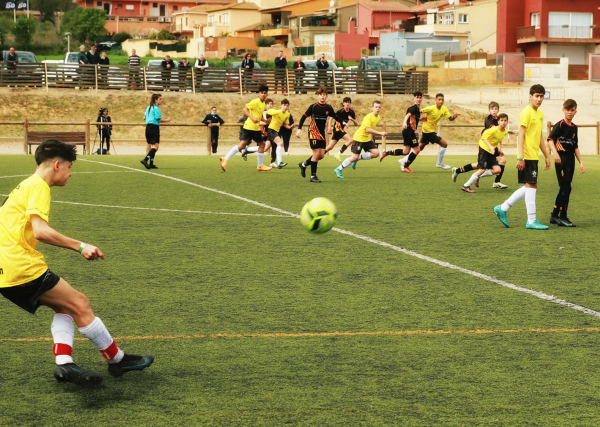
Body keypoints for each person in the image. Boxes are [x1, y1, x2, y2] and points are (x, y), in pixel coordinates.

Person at [0, 139, 154, 386]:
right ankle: (117, 361)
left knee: (65, 307)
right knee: (79, 303)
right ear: (58, 164)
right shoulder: (39, 186)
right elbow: (40, 231)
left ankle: (64, 364)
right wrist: (80, 246)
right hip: (21, 267)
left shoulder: (23, 185)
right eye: (70, 167)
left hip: (6, 270)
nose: (71, 174)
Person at [494, 84, 551, 230]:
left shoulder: (540, 114)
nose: (539, 99)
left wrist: (546, 155)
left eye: (541, 96)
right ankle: (531, 220)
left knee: (530, 186)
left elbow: (539, 138)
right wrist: (520, 157)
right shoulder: (526, 112)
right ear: (530, 96)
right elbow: (521, 135)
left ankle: (503, 208)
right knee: (531, 186)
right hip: (526, 155)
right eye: (536, 96)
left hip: (534, 155)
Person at [451, 101, 510, 189]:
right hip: (486, 146)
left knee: (484, 165)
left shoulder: (500, 120)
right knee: (484, 166)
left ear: (498, 110)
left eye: (496, 109)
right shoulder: (489, 120)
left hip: (492, 146)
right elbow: (488, 135)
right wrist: (491, 146)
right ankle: (472, 182)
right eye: (492, 109)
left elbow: (499, 136)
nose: (494, 111)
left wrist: (500, 148)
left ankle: (459, 170)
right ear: (489, 110)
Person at [547, 99, 585, 227]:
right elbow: (550, 140)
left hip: (571, 160)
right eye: (567, 109)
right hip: (561, 159)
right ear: (563, 110)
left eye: (572, 110)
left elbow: (575, 147)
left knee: (564, 188)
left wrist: (581, 162)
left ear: (575, 111)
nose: (569, 112)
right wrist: (555, 153)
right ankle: (563, 217)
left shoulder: (574, 128)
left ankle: (554, 215)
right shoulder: (560, 125)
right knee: (567, 187)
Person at [398, 93, 458, 172]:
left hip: (430, 131)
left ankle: (404, 160)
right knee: (444, 144)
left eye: (442, 100)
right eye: (439, 99)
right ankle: (439, 163)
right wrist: (416, 119)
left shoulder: (444, 109)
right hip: (428, 131)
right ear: (435, 100)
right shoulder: (430, 108)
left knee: (419, 148)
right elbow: (417, 112)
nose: (441, 101)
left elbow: (450, 118)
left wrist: (453, 117)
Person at [220, 85, 271, 172]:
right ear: (258, 94)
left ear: (267, 95)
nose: (263, 94)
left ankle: (225, 159)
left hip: (250, 127)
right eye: (261, 93)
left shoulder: (263, 104)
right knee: (262, 145)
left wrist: (265, 120)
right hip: (252, 127)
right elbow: (244, 110)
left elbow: (258, 116)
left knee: (242, 145)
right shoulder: (255, 102)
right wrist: (252, 118)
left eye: (265, 93)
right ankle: (260, 166)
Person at [296, 86, 339, 183]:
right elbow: (303, 117)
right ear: (317, 97)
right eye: (320, 95)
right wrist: (299, 129)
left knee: (321, 155)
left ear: (327, 97)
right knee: (316, 154)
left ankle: (303, 164)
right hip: (313, 132)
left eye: (324, 95)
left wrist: (343, 122)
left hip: (322, 134)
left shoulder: (329, 108)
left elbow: (336, 116)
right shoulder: (313, 107)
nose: (322, 97)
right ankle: (313, 176)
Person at [334, 100, 385, 179]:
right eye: (376, 107)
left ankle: (358, 159)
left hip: (366, 139)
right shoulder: (368, 117)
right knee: (354, 157)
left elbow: (370, 128)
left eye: (379, 107)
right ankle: (338, 169)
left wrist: (371, 137)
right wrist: (380, 133)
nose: (377, 109)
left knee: (376, 153)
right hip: (359, 138)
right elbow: (367, 129)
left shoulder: (378, 117)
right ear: (372, 108)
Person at [379, 91, 423, 173]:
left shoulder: (414, 108)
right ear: (414, 98)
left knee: (405, 151)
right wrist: (404, 122)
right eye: (417, 97)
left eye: (420, 97)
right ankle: (406, 166)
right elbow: (408, 115)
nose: (419, 99)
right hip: (409, 131)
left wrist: (420, 119)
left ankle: (386, 153)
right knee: (417, 149)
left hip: (406, 131)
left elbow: (413, 117)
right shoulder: (415, 107)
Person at [141, 94, 171, 170]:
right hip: (154, 128)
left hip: (148, 127)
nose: (162, 100)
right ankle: (145, 160)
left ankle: (151, 164)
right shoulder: (156, 108)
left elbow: (144, 117)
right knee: (155, 147)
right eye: (160, 99)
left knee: (152, 146)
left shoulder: (148, 107)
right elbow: (158, 119)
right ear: (156, 100)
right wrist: (167, 120)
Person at [326, 97, 357, 161]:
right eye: (346, 102)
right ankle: (338, 154)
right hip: (337, 129)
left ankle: (315, 158)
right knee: (350, 140)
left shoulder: (351, 112)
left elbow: (356, 124)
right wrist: (329, 128)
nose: (347, 103)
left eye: (348, 102)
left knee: (330, 147)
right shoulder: (340, 111)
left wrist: (352, 120)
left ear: (350, 103)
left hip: (340, 130)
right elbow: (331, 117)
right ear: (343, 103)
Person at [266, 99, 293, 168]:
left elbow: (285, 125)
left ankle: (247, 150)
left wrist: (290, 127)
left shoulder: (287, 114)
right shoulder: (276, 112)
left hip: (276, 131)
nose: (285, 107)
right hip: (271, 130)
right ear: (281, 105)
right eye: (284, 105)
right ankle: (279, 162)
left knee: (265, 148)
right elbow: (265, 112)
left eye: (287, 106)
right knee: (280, 143)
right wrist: (265, 118)